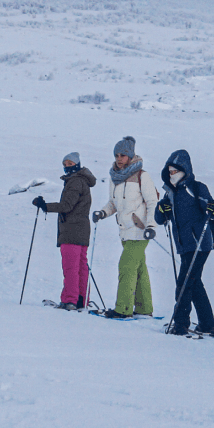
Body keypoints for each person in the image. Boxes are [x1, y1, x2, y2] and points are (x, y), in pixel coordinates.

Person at [155, 148, 214, 336]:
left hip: (200, 243)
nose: (172, 175)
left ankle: (181, 324)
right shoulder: (170, 193)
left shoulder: (196, 188)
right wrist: (162, 209)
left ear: (185, 170)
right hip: (184, 245)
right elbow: (160, 219)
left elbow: (212, 208)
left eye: (175, 171)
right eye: (169, 172)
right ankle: (207, 324)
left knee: (184, 283)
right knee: (194, 283)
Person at [91, 136, 158, 318]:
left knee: (126, 266)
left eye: (123, 155)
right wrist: (103, 213)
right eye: (116, 155)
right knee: (139, 268)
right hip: (124, 231)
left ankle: (123, 309)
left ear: (130, 156)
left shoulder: (142, 176)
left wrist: (151, 225)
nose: (119, 158)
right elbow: (113, 203)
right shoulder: (115, 178)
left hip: (140, 230)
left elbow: (153, 202)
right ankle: (144, 308)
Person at [33, 152, 97, 309]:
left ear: (77, 164)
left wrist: (45, 206)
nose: (67, 167)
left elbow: (67, 206)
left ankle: (70, 300)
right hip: (82, 230)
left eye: (70, 163)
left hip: (72, 230)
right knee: (80, 267)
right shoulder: (81, 181)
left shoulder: (75, 182)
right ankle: (81, 299)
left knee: (71, 267)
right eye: (65, 164)